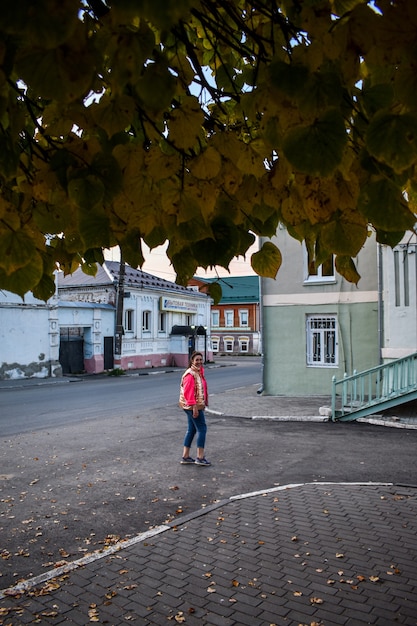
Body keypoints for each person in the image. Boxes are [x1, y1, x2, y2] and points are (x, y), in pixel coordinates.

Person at [178, 351, 211, 466]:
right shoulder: (190, 374)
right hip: (192, 406)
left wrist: (204, 404)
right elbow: (188, 392)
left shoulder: (199, 372)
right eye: (197, 360)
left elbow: (202, 390)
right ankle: (200, 457)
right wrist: (195, 408)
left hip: (194, 406)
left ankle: (185, 456)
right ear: (192, 361)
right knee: (202, 429)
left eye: (201, 360)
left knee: (192, 429)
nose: (199, 362)